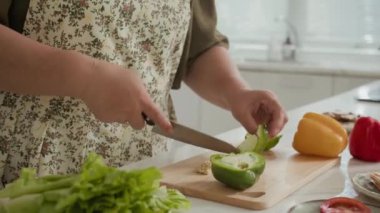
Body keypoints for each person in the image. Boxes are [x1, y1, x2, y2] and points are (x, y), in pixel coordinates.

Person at [0, 0, 288, 185]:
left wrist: (236, 92)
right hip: (35, 172)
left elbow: (198, 46)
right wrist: (85, 77)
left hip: (147, 167)